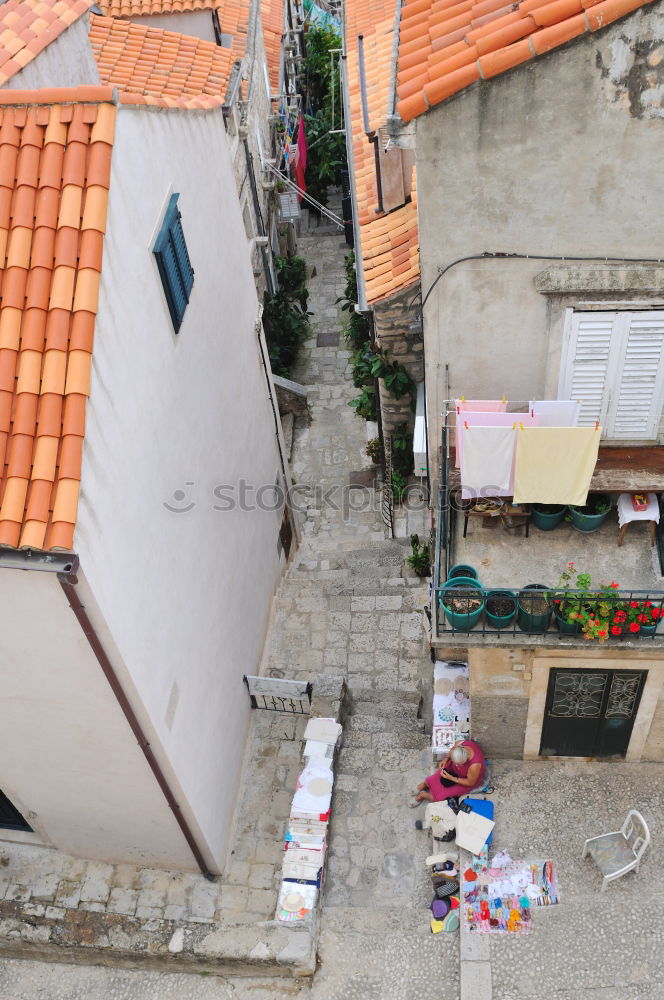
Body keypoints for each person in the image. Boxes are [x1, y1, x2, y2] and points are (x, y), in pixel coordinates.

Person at [410, 739, 485, 806]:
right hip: (453, 769)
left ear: (466, 760)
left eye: (459, 764)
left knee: (440, 797)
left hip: (465, 779)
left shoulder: (474, 766)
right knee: (432, 779)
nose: (457, 765)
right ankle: (423, 786)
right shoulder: (460, 744)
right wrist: (445, 759)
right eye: (455, 762)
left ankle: (423, 795)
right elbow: (452, 750)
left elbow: (470, 782)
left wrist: (452, 778)